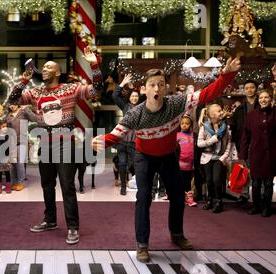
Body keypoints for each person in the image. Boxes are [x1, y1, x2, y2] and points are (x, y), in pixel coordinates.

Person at [93, 57, 241, 262]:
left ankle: (177, 234)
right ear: (145, 89)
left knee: (178, 197)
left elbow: (208, 93)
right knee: (143, 198)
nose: (157, 88)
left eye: (161, 85)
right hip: (144, 157)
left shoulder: (177, 103)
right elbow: (115, 135)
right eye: (152, 85)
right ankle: (142, 244)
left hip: (169, 155)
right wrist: (99, 142)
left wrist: (228, 75)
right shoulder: (135, 114)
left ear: (165, 89)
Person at [8, 47, 102, 245]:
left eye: (49, 67)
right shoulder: (35, 92)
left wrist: (94, 65)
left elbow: (96, 89)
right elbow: (12, 100)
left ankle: (73, 227)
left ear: (57, 72)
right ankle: (50, 220)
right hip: (45, 144)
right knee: (47, 185)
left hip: (66, 144)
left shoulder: (71, 88)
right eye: (43, 67)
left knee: (67, 186)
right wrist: (24, 79)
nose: (44, 69)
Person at [239, 90, 276, 217]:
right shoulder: (251, 115)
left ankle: (266, 207)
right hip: (256, 153)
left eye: (266, 97)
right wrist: (242, 155)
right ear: (258, 100)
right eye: (261, 98)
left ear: (271, 99)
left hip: (271, 154)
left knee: (268, 183)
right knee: (255, 182)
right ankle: (255, 205)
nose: (263, 100)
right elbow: (245, 136)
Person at [197, 104, 232, 213]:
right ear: (212, 115)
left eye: (221, 110)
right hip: (207, 157)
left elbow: (229, 143)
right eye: (219, 111)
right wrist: (213, 139)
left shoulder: (226, 127)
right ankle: (210, 200)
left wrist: (224, 157)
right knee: (209, 180)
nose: (222, 112)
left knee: (217, 180)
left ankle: (219, 201)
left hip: (219, 158)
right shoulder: (204, 127)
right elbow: (199, 144)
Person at [112, 74, 143, 195]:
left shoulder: (142, 107)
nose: (134, 98)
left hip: (135, 142)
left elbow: (149, 100)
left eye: (136, 96)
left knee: (136, 165)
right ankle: (123, 187)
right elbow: (115, 96)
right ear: (129, 98)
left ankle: (139, 186)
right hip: (122, 141)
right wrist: (122, 84)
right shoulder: (125, 106)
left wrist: (144, 94)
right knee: (122, 164)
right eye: (132, 96)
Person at [230, 80, 259, 205]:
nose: (249, 90)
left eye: (252, 87)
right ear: (244, 90)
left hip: (259, 143)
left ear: (256, 89)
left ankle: (261, 195)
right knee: (244, 169)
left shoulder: (262, 105)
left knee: (259, 170)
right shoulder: (240, 108)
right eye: (247, 88)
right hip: (244, 143)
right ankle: (244, 195)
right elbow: (234, 126)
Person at [5, 102, 37, 191]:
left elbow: (34, 118)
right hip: (11, 142)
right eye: (10, 104)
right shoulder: (9, 115)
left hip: (22, 141)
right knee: (12, 163)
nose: (12, 105)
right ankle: (14, 182)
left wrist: (26, 109)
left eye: (14, 103)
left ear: (18, 103)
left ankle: (20, 182)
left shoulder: (23, 112)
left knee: (20, 163)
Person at [177, 115, 197, 207]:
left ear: (190, 125)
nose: (184, 125)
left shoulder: (194, 135)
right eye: (182, 124)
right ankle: (180, 197)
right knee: (179, 181)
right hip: (180, 162)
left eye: (187, 124)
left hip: (190, 163)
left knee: (188, 181)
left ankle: (189, 197)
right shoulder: (177, 135)